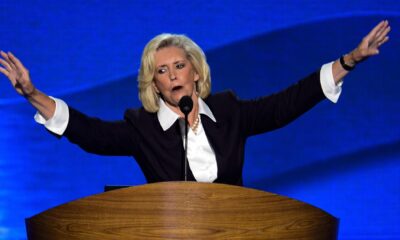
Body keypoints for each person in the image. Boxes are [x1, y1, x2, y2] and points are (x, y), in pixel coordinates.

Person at [0, 21, 390, 186]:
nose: (172, 76)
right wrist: (33, 95)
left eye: (179, 66)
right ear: (153, 82)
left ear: (196, 73)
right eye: (161, 70)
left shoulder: (230, 113)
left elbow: (286, 104)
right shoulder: (143, 128)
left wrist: (349, 61)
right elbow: (90, 133)